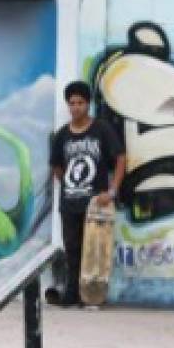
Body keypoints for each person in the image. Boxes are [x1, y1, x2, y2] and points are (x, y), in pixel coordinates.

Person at [48, 81, 126, 307]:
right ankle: (72, 294)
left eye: (80, 102)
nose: (75, 107)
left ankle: (90, 295)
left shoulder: (101, 130)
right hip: (69, 203)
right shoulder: (62, 135)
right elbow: (56, 165)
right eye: (71, 103)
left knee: (93, 251)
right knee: (72, 249)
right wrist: (68, 184)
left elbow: (120, 158)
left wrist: (112, 191)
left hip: (95, 205)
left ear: (88, 104)